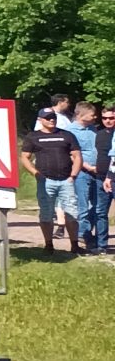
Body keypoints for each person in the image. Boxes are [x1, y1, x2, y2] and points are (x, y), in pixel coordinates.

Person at [33, 105, 85, 256]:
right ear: (40, 120)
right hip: (45, 181)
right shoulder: (33, 137)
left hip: (66, 180)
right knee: (46, 213)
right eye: (48, 118)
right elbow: (24, 157)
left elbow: (77, 156)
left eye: (53, 118)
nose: (51, 120)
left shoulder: (67, 135)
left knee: (72, 213)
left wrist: (73, 175)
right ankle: (48, 244)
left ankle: (74, 245)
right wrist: (35, 173)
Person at [76, 103, 111, 255]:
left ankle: (95, 239)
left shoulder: (97, 131)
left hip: (108, 175)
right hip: (92, 175)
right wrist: (90, 168)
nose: (107, 120)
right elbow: (74, 153)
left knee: (98, 209)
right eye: (104, 118)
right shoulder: (96, 133)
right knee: (93, 210)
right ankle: (94, 241)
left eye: (111, 118)